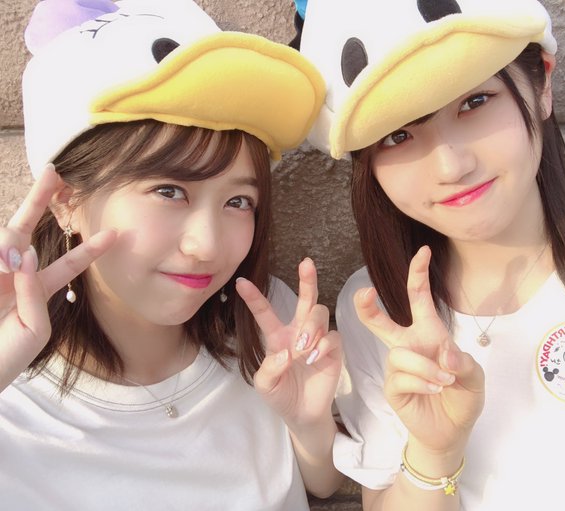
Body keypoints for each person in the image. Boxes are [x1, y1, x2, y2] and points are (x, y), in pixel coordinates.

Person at [289, 0, 565, 510]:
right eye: (398, 135)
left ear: (542, 83)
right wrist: (435, 452)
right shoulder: (377, 309)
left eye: (475, 102)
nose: (450, 165)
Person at [0, 0, 345, 508]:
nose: (207, 246)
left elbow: (322, 484)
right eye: (169, 191)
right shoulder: (11, 394)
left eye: (238, 201)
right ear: (66, 201)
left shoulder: (267, 324)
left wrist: (309, 422)